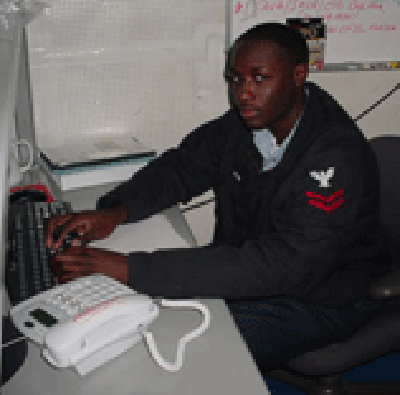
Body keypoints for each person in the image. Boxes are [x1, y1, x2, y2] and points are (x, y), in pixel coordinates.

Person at [46, 23, 389, 374]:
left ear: (298, 75)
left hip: (321, 297)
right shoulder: (252, 121)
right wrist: (117, 210)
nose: (243, 93)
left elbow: (288, 265)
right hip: (251, 273)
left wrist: (131, 269)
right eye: (236, 79)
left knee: (180, 353)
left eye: (260, 78)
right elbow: (184, 166)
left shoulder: (334, 157)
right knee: (143, 319)